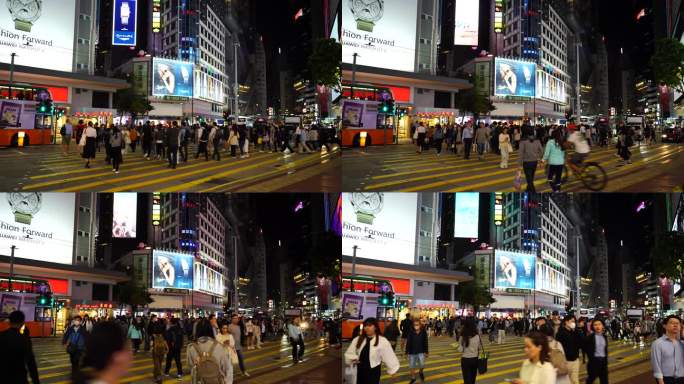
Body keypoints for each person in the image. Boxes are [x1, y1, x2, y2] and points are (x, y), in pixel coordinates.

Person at [344, 317, 400, 384]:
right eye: (365, 326)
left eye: (370, 325)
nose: (366, 328)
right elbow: (350, 353)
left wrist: (393, 373)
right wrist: (353, 359)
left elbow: (389, 357)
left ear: (375, 327)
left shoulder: (382, 341)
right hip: (359, 371)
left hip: (373, 373)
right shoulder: (358, 339)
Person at [187, 319, 233, 384]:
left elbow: (190, 366)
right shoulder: (219, 347)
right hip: (217, 381)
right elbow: (227, 369)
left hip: (199, 381)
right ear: (211, 330)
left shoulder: (191, 347)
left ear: (197, 330)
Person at [0, 311, 39, 384]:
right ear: (22, 323)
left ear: (9, 322)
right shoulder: (24, 339)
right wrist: (36, 381)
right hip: (19, 378)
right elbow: (31, 363)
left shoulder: (1, 336)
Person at [651, 315, 684, 384]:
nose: (675, 325)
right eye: (672, 323)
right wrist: (660, 381)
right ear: (664, 326)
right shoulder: (658, 343)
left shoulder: (682, 343)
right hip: (667, 379)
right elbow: (656, 365)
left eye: (677, 323)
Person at [556, 315, 582, 384]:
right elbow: (558, 348)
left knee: (575, 381)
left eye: (574, 322)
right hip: (566, 361)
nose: (574, 323)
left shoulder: (574, 332)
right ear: (566, 322)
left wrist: (576, 330)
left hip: (575, 360)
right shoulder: (560, 333)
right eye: (572, 321)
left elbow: (581, 342)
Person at [584, 318, 609, 384]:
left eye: (599, 324)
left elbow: (605, 350)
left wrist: (605, 362)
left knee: (604, 381)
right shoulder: (590, 337)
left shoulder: (605, 337)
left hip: (603, 363)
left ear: (603, 326)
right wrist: (591, 358)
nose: (597, 326)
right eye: (595, 325)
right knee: (590, 380)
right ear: (592, 327)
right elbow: (586, 349)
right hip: (594, 363)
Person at [457, 319, 481, 384]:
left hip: (465, 360)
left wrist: (458, 346)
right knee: (473, 379)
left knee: (466, 379)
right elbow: (479, 348)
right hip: (474, 359)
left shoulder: (462, 337)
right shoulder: (477, 336)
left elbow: (460, 350)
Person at [405, 319, 429, 384]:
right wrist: (406, 352)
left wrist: (426, 352)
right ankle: (413, 378)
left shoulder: (423, 332)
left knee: (422, 365)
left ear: (420, 325)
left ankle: (420, 372)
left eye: (417, 324)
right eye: (415, 325)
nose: (416, 326)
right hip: (412, 352)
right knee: (412, 366)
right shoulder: (411, 332)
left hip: (421, 351)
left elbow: (425, 342)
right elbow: (408, 342)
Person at [151, 317, 168, 384]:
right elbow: (166, 341)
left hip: (157, 351)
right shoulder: (162, 333)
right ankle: (158, 377)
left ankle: (156, 375)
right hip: (159, 351)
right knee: (158, 365)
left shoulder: (155, 335)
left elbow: (165, 341)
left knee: (158, 365)